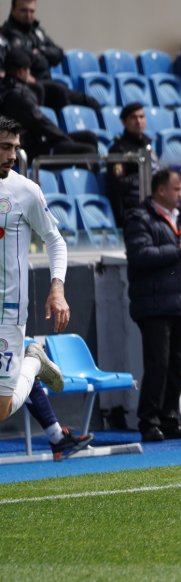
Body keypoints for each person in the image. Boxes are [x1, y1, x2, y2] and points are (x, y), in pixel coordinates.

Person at [125, 169, 181, 443]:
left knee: (177, 365)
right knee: (157, 364)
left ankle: (170, 419)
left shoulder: (180, 216)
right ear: (161, 190)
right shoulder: (140, 217)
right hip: (154, 302)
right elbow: (140, 256)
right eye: (177, 189)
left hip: (177, 300)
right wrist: (180, 250)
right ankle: (149, 422)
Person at [0, 115, 70, 428]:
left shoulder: (25, 191)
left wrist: (57, 287)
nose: (12, 155)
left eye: (14, 147)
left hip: (8, 314)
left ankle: (32, 361)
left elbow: (55, 241)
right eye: (4, 147)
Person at [0, 49, 97, 160]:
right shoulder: (16, 96)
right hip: (27, 149)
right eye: (28, 70)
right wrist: (65, 139)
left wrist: (64, 139)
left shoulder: (9, 89)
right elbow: (41, 123)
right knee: (87, 150)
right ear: (21, 72)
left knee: (90, 137)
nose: (29, 74)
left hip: (38, 141)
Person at [1, 0, 98, 110]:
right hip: (31, 84)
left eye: (32, 11)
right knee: (59, 92)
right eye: (24, 11)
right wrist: (40, 57)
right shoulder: (8, 33)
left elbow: (59, 53)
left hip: (48, 81)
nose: (28, 15)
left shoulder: (37, 32)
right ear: (13, 10)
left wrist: (41, 51)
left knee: (90, 101)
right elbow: (25, 59)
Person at [107, 102, 158, 227]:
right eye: (133, 117)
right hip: (133, 207)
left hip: (153, 202)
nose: (138, 121)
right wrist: (143, 175)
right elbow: (118, 183)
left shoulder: (148, 145)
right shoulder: (118, 149)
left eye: (141, 117)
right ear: (124, 122)